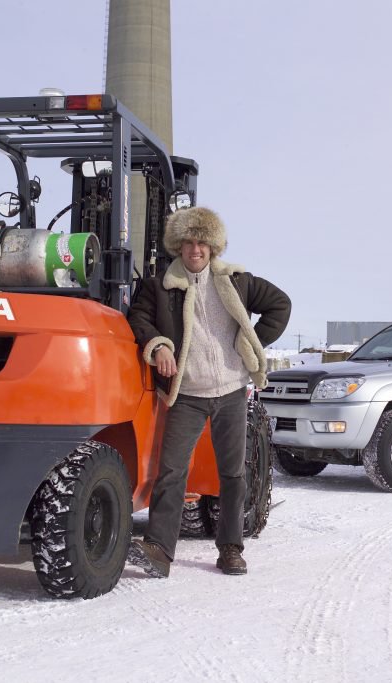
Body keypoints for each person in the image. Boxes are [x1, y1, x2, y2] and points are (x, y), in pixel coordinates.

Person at [126, 206, 291, 577]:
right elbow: (138, 318)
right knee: (171, 471)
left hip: (231, 390)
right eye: (188, 242)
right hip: (187, 393)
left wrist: (251, 344)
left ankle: (231, 549)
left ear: (213, 247)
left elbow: (280, 305)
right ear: (178, 247)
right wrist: (159, 344)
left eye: (202, 242)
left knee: (232, 474)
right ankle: (159, 551)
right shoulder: (160, 286)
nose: (195, 249)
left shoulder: (237, 282)